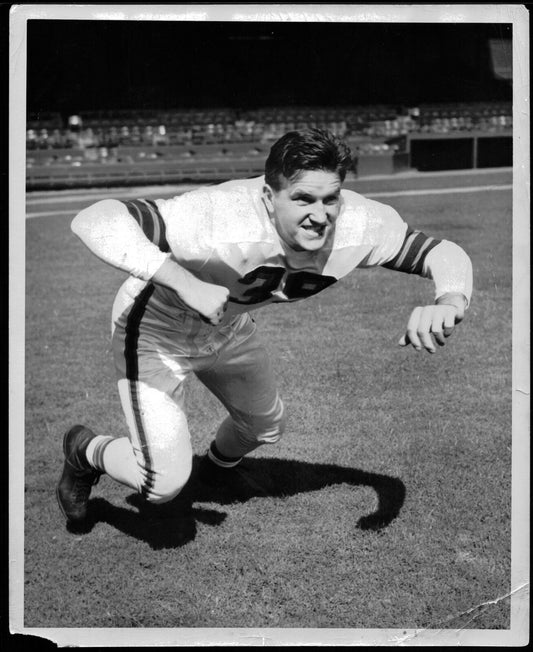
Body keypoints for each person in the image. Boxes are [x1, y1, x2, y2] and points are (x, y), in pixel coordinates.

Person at [56, 128, 473, 525]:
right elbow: (95, 220)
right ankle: (85, 451)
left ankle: (218, 472)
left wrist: (449, 300)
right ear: (269, 197)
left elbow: (441, 253)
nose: (320, 216)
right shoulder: (221, 216)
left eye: (331, 199)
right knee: (161, 483)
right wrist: (185, 282)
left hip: (227, 325)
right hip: (156, 326)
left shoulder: (358, 222)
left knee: (263, 426)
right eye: (303, 199)